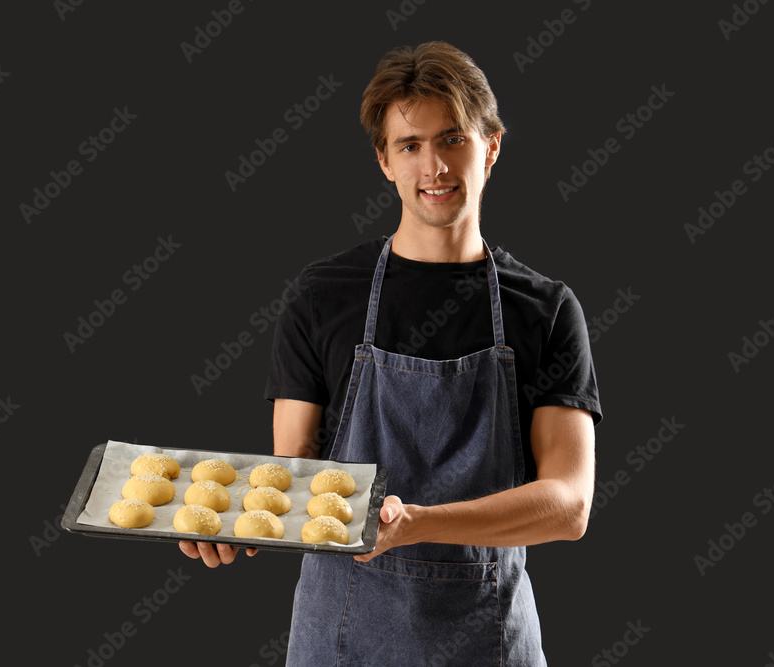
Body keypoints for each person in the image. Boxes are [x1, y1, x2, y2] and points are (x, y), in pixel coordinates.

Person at [182, 41, 602, 665]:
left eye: (453, 139)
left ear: (491, 146)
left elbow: (568, 505)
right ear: (384, 160)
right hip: (339, 639)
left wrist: (419, 523)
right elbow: (293, 469)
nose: (434, 166)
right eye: (410, 145)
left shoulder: (545, 310)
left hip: (487, 641)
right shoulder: (324, 296)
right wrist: (228, 523)